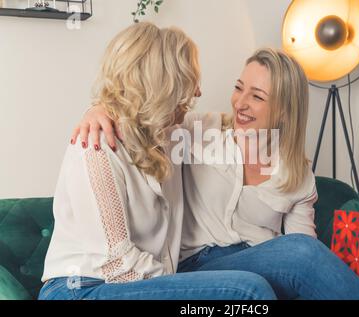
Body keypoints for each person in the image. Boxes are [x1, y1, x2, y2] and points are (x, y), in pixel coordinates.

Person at [71, 47, 359, 300]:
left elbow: (305, 254)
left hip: (260, 264)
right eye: (238, 88)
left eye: (257, 96)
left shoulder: (296, 173)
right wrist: (97, 110)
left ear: (285, 109)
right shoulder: (197, 132)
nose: (240, 103)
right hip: (194, 268)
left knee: (302, 252)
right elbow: (144, 110)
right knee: (297, 255)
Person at [39, 22, 277, 300]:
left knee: (276, 266)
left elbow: (229, 123)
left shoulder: (171, 134)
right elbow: (117, 263)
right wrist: (181, 288)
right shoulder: (96, 147)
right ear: (161, 86)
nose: (198, 93)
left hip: (139, 280)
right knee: (247, 291)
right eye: (189, 81)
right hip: (82, 288)